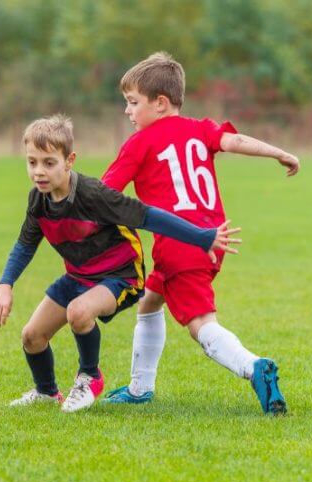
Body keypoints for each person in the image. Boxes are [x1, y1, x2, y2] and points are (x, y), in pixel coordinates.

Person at [0, 115, 240, 413]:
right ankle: (46, 392)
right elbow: (25, 244)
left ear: (69, 160)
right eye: (32, 162)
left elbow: (149, 216)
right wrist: (5, 285)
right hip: (79, 276)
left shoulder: (93, 195)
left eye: (48, 163)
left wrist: (201, 237)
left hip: (121, 276)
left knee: (78, 312)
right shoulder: (38, 200)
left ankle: (90, 377)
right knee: (32, 337)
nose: (39, 172)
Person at [100, 52, 299, 415]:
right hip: (212, 237)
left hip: (180, 244)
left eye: (132, 103)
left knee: (201, 326)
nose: (127, 112)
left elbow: (104, 193)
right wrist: (279, 153)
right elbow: (235, 142)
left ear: (160, 103)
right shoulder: (200, 128)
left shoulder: (139, 144)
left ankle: (253, 367)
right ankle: (140, 388)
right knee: (149, 301)